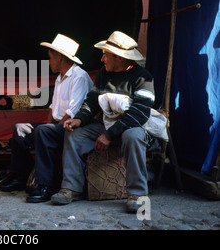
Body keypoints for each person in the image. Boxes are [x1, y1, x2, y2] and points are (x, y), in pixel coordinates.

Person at [50, 31, 154, 213]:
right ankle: (71, 188)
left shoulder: (143, 78)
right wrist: (79, 119)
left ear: (119, 58)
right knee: (74, 135)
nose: (102, 59)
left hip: (130, 128)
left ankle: (137, 194)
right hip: (105, 126)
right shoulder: (103, 74)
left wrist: (109, 134)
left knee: (134, 136)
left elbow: (139, 113)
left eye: (106, 55)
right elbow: (91, 102)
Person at [0, 34, 93, 203]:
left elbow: (73, 112)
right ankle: (21, 176)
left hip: (73, 128)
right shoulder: (59, 78)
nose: (49, 62)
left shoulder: (79, 77)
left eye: (50, 58)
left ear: (60, 58)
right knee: (20, 128)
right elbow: (53, 108)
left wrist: (48, 130)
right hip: (58, 126)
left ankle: (45, 185)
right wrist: (47, 126)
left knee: (43, 131)